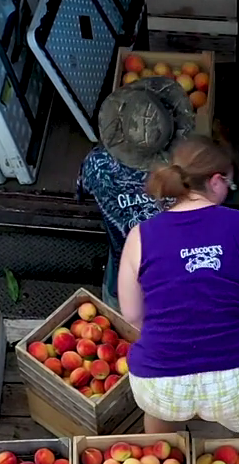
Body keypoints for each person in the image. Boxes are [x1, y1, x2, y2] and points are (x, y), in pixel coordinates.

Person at [117, 137, 239, 435]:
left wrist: (168, 341)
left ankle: (162, 449)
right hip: (237, 374)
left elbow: (131, 314)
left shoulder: (139, 236)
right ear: (217, 181)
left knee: (159, 435)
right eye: (230, 184)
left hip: (159, 378)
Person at [78, 78, 192, 307]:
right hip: (174, 260)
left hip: (125, 256)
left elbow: (83, 191)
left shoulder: (98, 164)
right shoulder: (186, 171)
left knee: (119, 284)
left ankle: (116, 305)